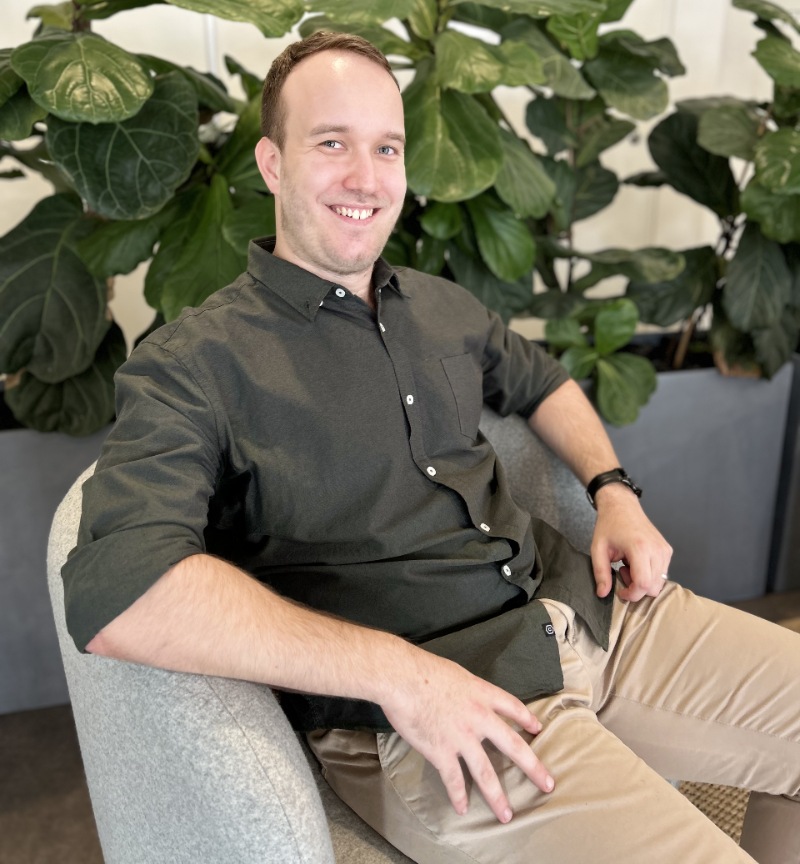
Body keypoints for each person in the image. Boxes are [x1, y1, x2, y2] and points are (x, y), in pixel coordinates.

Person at [62, 31, 800, 864]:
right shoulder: (194, 363)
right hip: (440, 711)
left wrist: (613, 489)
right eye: (331, 143)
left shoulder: (438, 307)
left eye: (386, 147)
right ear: (271, 163)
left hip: (590, 611)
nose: (366, 177)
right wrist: (398, 675)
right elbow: (122, 595)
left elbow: (542, 380)